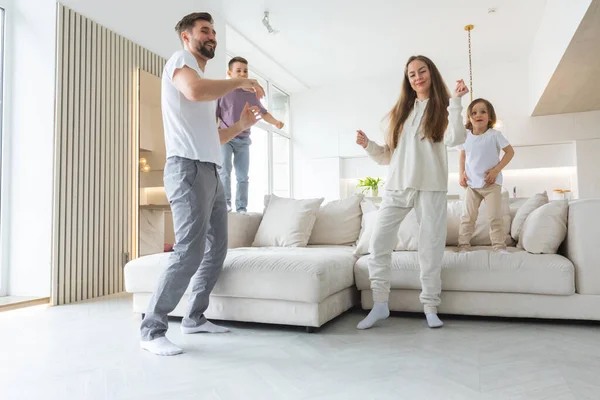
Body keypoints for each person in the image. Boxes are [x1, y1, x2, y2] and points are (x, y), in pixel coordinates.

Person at [140, 12, 265, 356]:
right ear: (186, 37)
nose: (212, 36)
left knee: (216, 248)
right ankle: (152, 329)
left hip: (210, 170)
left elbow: (215, 135)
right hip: (188, 169)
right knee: (189, 250)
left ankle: (194, 317)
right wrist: (241, 82)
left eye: (213, 31)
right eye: (204, 31)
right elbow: (193, 91)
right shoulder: (182, 62)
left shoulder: (207, 86)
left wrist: (240, 124)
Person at [355, 55, 469, 330]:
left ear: (431, 73)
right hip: (396, 186)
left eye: (422, 71)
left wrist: (456, 102)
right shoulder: (401, 113)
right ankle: (380, 304)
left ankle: (430, 306)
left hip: (430, 186)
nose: (417, 77)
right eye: (411, 74)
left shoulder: (443, 108)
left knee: (429, 248)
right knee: (378, 243)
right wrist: (368, 145)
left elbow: (456, 139)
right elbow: (388, 157)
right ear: (407, 80)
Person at [216, 56, 285, 213]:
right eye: (238, 71)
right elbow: (215, 115)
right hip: (226, 138)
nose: (242, 74)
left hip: (244, 140)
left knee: (242, 176)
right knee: (224, 171)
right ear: (229, 73)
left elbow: (264, 113)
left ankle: (241, 207)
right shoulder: (223, 92)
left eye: (245, 71)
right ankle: (225, 203)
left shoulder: (251, 94)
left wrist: (275, 122)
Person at [457, 98, 514, 253]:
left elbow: (510, 152)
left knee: (495, 217)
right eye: (474, 112)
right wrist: (461, 173)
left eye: (483, 111)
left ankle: (499, 247)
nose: (478, 115)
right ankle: (463, 246)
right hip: (471, 185)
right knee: (467, 217)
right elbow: (462, 155)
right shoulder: (466, 136)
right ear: (469, 117)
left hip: (491, 184)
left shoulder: (495, 135)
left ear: (490, 117)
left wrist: (496, 170)